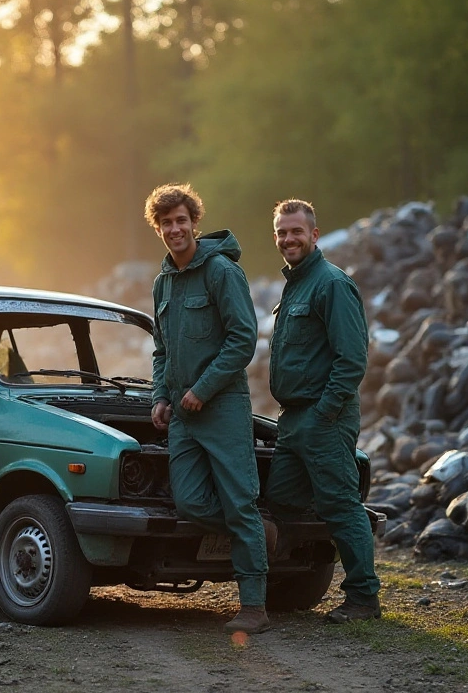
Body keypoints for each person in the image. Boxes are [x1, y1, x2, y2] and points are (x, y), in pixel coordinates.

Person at [146, 183, 272, 634]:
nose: (175, 229)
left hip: (221, 406)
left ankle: (254, 605)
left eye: (182, 220)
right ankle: (260, 533)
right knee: (190, 501)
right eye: (166, 223)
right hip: (181, 413)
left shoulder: (221, 272)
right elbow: (161, 349)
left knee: (240, 502)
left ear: (194, 222)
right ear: (158, 228)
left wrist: (203, 388)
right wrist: (159, 396)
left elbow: (243, 340)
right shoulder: (162, 282)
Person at [266, 199, 381, 623]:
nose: (288, 239)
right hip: (293, 418)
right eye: (281, 232)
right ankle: (286, 585)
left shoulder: (331, 283)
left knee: (340, 504)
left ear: (314, 235)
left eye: (296, 231)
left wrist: (324, 413)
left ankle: (364, 598)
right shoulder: (295, 284)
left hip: (323, 417)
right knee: (279, 500)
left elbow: (352, 359)